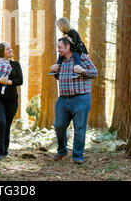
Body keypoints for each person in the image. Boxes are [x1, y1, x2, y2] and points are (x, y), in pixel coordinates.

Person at [51, 36, 97, 164]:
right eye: (58, 47)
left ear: (68, 46)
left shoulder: (82, 58)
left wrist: (82, 70)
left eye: (60, 47)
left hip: (81, 99)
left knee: (79, 129)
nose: (58, 49)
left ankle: (77, 156)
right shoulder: (61, 61)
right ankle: (62, 151)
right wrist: (54, 70)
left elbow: (94, 73)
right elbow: (59, 77)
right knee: (59, 126)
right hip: (63, 99)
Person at [0, 42, 23, 160]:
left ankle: (4, 151)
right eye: (8, 49)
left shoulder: (15, 65)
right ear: (2, 51)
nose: (11, 50)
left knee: (6, 125)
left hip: (11, 101)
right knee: (1, 122)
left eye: (11, 48)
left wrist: (7, 82)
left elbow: (19, 80)